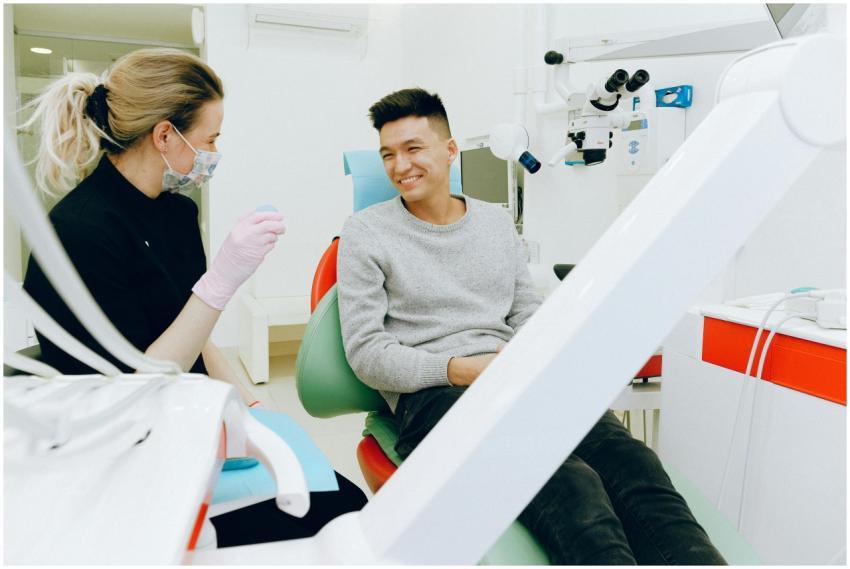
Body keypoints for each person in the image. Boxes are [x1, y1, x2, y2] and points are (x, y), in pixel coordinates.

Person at [337, 87, 726, 565]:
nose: (401, 166)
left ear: (450, 149)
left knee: (635, 465)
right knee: (571, 483)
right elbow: (367, 354)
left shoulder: (495, 224)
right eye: (388, 155)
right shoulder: (366, 233)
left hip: (517, 378)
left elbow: (525, 312)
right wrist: (463, 369)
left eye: (414, 149)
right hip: (436, 394)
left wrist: (553, 355)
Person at [20, 48, 365, 547]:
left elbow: (195, 334)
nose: (214, 152)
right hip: (126, 454)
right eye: (210, 139)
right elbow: (133, 392)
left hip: (193, 425)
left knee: (346, 503)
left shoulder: (176, 214)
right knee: (333, 524)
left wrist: (252, 406)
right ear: (165, 135)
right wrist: (221, 282)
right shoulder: (78, 232)